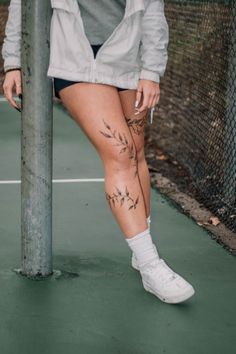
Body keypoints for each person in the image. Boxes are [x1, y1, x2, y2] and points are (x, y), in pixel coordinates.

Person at [1, 0, 195, 304]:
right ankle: (150, 265)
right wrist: (13, 61)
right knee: (120, 153)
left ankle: (141, 245)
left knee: (136, 152)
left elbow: (153, 11)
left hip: (129, 60)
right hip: (77, 62)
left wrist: (152, 71)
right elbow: (21, 5)